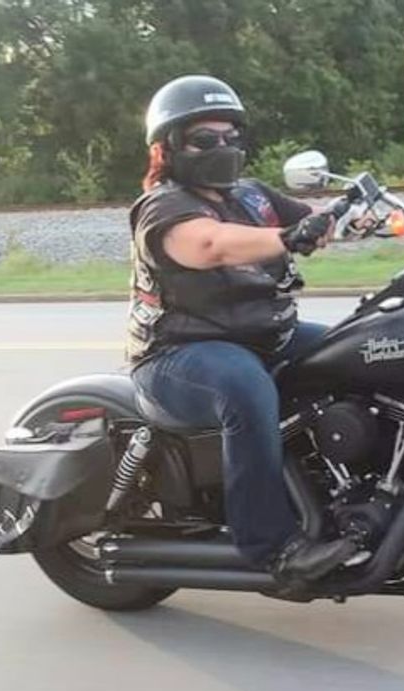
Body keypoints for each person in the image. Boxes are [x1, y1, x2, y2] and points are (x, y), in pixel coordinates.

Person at [127, 75, 357, 583]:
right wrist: (288, 236)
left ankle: (352, 497)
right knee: (246, 388)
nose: (222, 147)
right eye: (204, 139)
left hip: (262, 336)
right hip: (179, 354)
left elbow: (314, 221)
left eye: (230, 136)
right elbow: (211, 245)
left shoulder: (251, 195)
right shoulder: (163, 206)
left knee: (362, 351)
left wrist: (358, 217)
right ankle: (271, 547)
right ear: (168, 149)